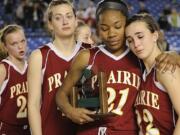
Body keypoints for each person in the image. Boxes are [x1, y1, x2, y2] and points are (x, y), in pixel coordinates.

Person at [56, 0, 142, 134]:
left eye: (117, 26)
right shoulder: (87, 56)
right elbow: (61, 94)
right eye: (104, 28)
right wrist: (70, 111)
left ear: (127, 25)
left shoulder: (139, 56)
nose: (111, 34)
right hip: (90, 130)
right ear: (97, 28)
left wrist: (174, 56)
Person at [27, 0, 91, 135]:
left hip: (86, 130)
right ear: (50, 24)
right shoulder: (39, 56)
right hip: (51, 129)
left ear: (75, 20)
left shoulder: (90, 52)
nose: (65, 21)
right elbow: (33, 105)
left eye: (69, 16)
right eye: (58, 18)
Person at [125, 13, 180, 135]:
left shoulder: (165, 68)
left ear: (154, 35)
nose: (136, 44)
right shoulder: (141, 74)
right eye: (130, 40)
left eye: (140, 36)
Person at [0, 24, 30, 135]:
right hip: (8, 128)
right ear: (5, 47)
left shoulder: (32, 67)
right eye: (14, 44)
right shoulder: (3, 68)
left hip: (28, 127)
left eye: (23, 41)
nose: (20, 47)